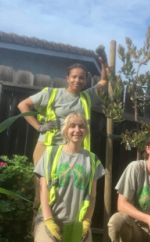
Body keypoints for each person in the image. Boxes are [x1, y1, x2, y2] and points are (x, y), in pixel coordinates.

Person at [18, 61, 109, 208]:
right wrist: (38, 127)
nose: (77, 80)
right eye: (74, 77)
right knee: (43, 191)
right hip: (48, 147)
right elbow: (23, 105)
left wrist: (104, 62)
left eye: (81, 78)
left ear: (86, 80)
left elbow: (104, 81)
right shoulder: (52, 94)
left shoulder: (87, 97)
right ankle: (39, 228)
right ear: (67, 78)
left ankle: (62, 227)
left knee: (67, 190)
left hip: (72, 151)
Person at [33, 113, 104, 242]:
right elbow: (43, 190)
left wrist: (86, 223)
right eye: (72, 126)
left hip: (76, 224)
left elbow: (92, 196)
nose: (77, 130)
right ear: (65, 130)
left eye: (81, 126)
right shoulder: (51, 154)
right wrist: (49, 220)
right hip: (50, 221)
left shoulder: (92, 160)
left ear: (86, 131)